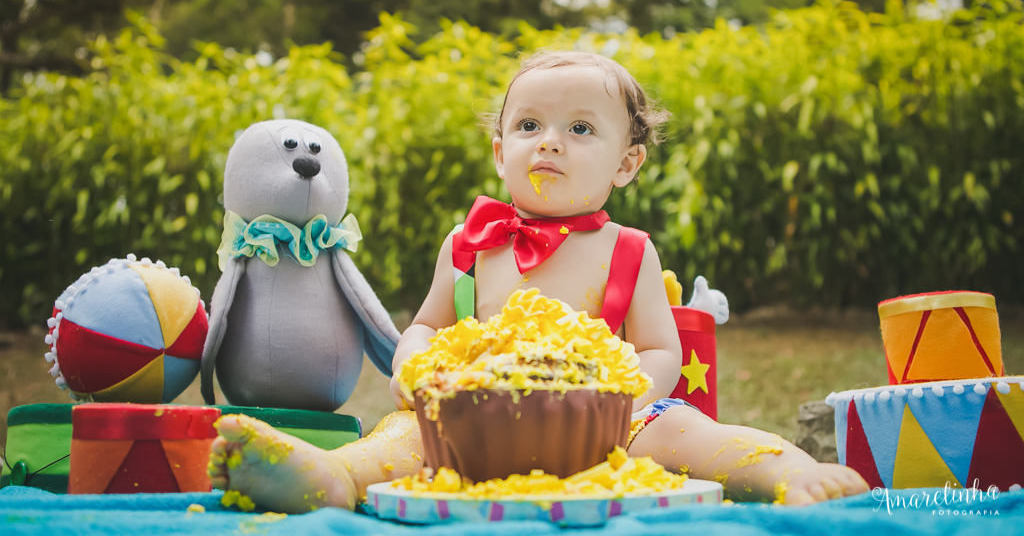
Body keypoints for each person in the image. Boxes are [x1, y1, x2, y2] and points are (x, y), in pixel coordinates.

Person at [208, 51, 869, 512]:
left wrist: (625, 391)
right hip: (479, 421)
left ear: (627, 163)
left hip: (608, 424)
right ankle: (332, 473)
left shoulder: (628, 251)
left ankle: (791, 470)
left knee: (689, 431)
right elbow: (428, 326)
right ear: (500, 152)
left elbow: (661, 349)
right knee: (405, 433)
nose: (548, 142)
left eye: (580, 128)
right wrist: (412, 364)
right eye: (529, 126)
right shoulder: (470, 243)